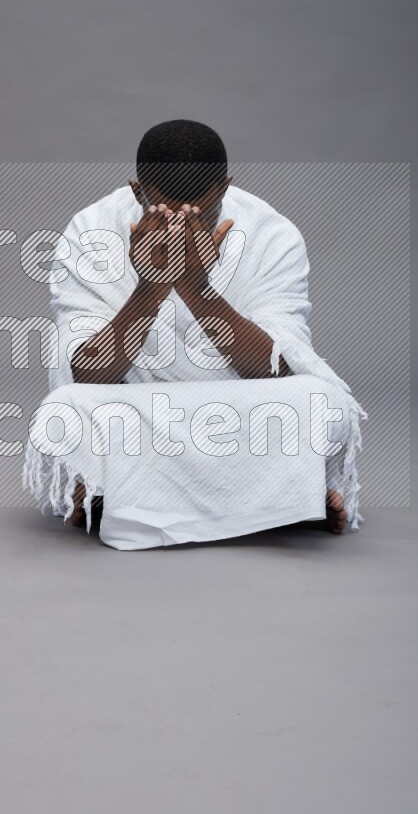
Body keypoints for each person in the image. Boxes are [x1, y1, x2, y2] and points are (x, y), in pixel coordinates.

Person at [23, 120, 366, 551]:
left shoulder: (273, 234)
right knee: (68, 408)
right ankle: (281, 502)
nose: (184, 229)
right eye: (165, 214)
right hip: (136, 409)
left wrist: (196, 289)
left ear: (226, 187)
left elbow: (279, 369)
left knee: (322, 402)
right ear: (137, 192)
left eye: (202, 214)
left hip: (239, 411)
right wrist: (151, 287)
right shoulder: (90, 230)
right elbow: (88, 373)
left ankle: (119, 497)